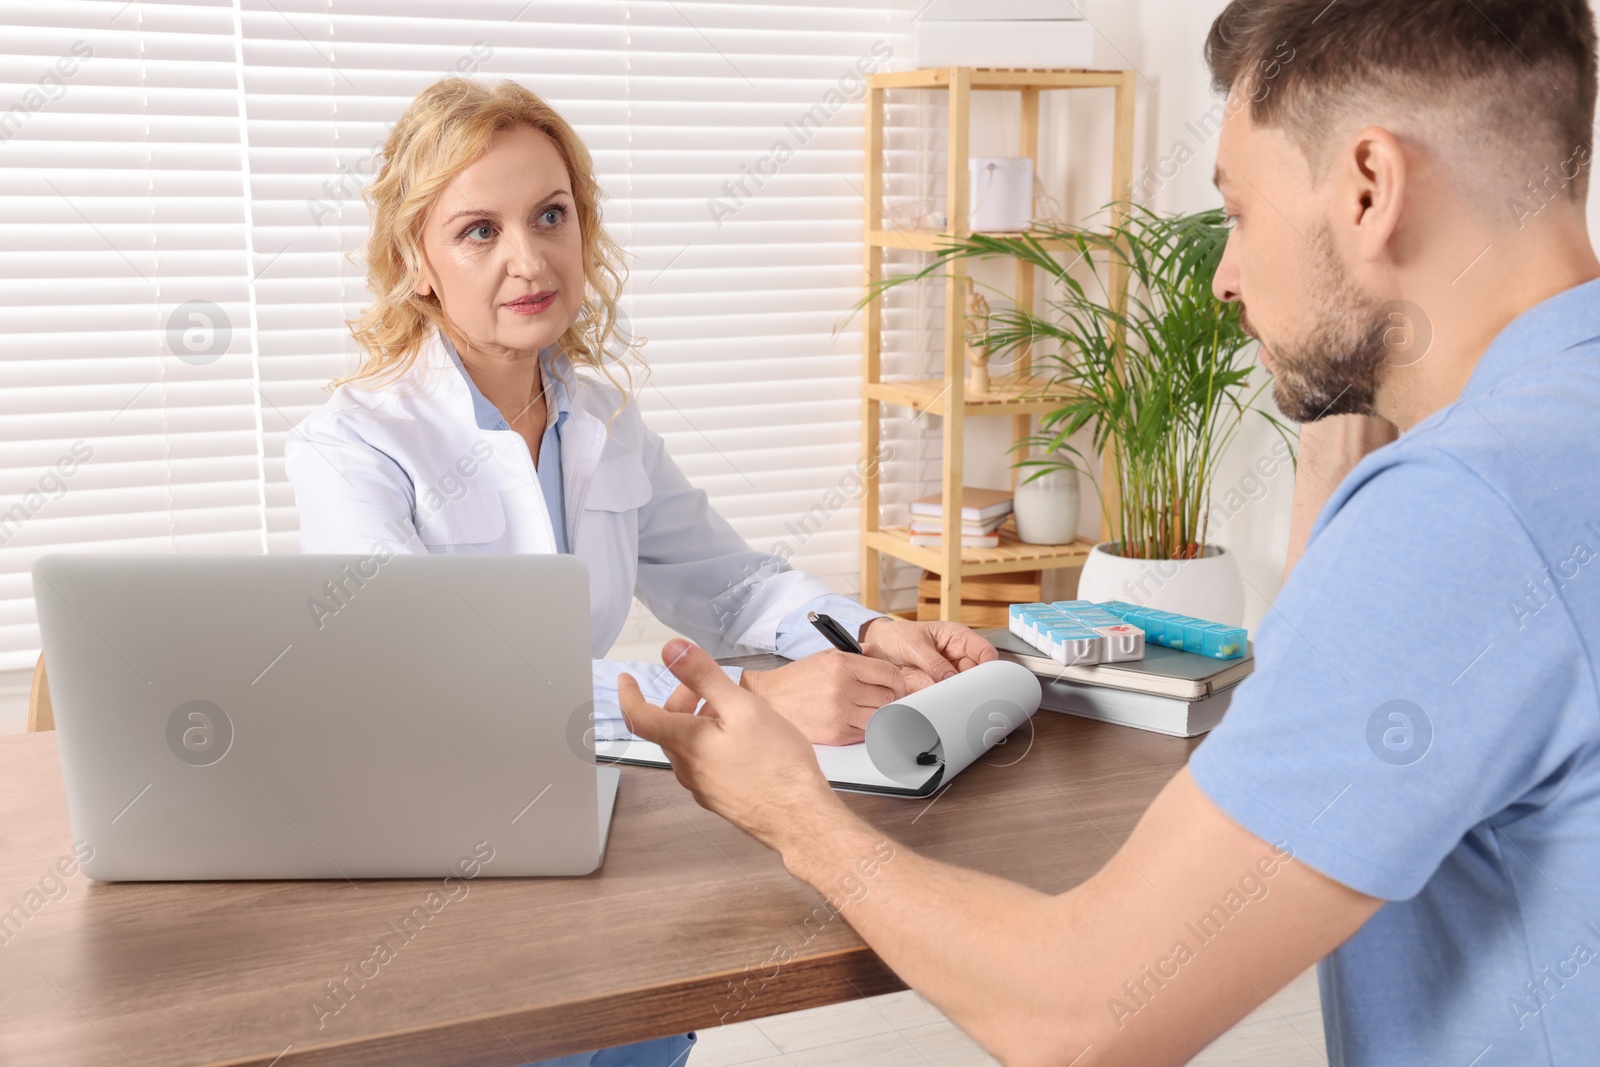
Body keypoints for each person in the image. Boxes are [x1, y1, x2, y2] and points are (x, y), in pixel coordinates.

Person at [620, 2, 1600, 1064]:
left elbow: (1084, 1013)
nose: (1225, 276)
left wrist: (794, 813)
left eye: (1235, 210)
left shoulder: (1456, 512)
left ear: (1369, 187)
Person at [284, 78, 997, 1067]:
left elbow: (729, 581)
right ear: (416, 262)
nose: (528, 258)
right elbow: (424, 676)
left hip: (590, 816)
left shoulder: (602, 416)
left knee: (638, 1023)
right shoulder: (352, 443)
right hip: (431, 851)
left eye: (550, 214)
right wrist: (739, 700)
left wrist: (864, 631)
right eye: (477, 230)